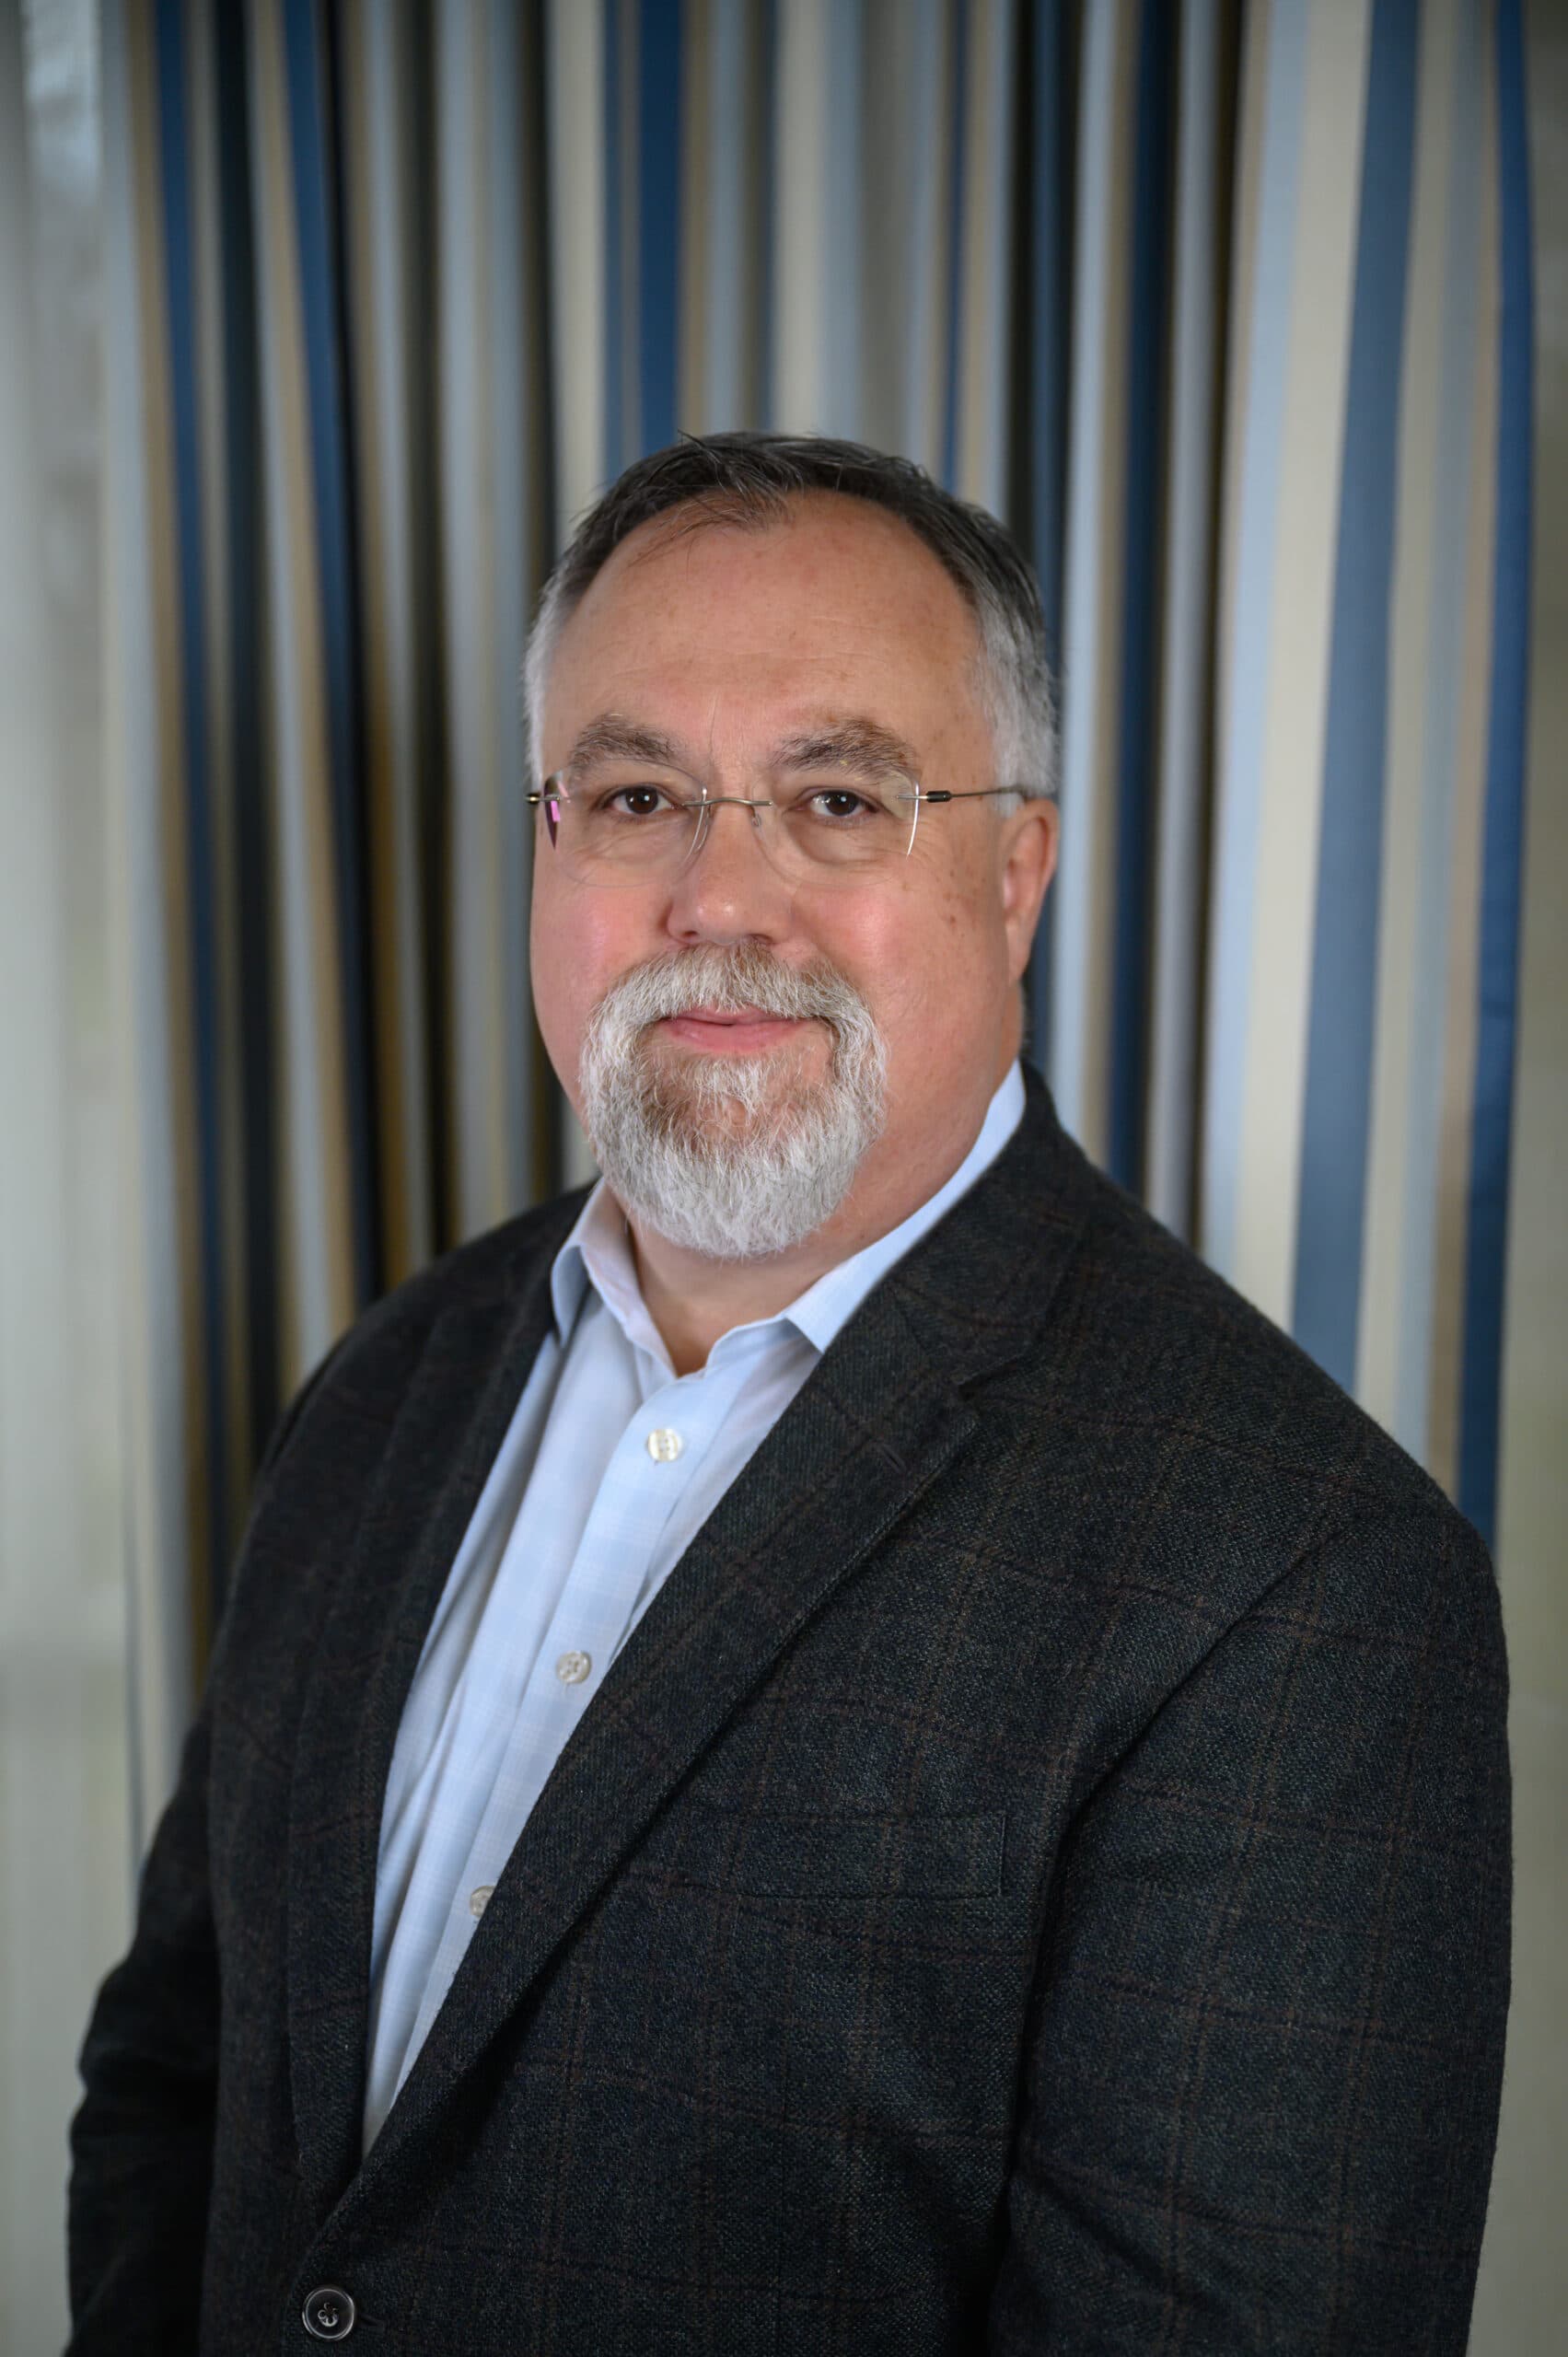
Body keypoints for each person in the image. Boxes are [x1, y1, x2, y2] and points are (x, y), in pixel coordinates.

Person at [67, 434, 1510, 2356]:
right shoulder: (384, 1383)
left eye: (838, 797)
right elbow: (181, 2067)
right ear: (548, 841)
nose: (718, 898)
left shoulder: (1300, 1581)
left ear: (1015, 872)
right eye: (640, 790)